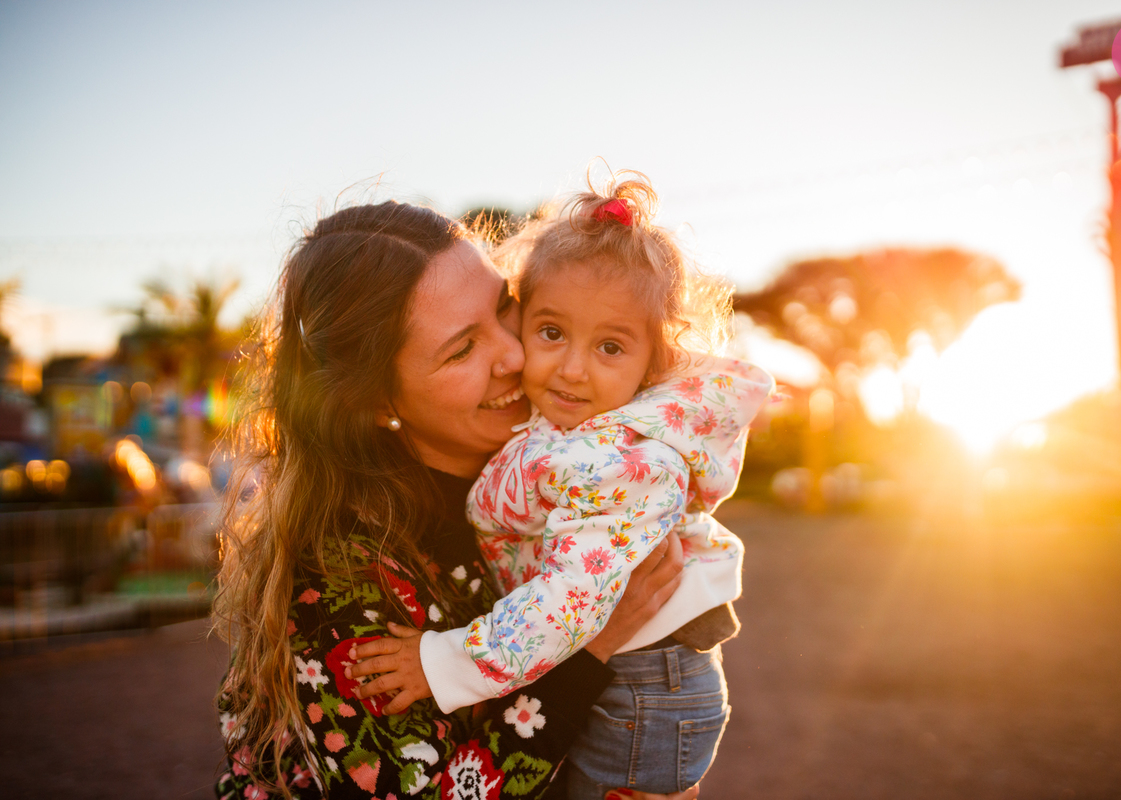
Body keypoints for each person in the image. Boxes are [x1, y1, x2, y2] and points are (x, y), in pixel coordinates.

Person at [210, 200, 689, 800]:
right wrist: (591, 644)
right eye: (461, 350)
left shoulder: (559, 473)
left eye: (502, 307)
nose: (514, 355)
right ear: (377, 402)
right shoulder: (341, 575)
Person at [346, 173, 774, 799]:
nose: (571, 369)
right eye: (550, 332)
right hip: (622, 673)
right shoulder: (571, 426)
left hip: (644, 687)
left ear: (654, 361)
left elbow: (570, 603)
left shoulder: (625, 460)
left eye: (609, 346)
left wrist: (439, 664)